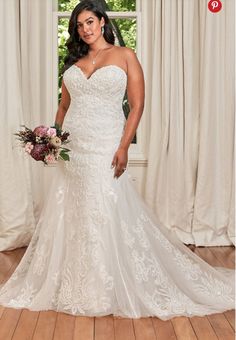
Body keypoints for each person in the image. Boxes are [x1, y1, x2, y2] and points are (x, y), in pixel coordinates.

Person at [0, 0, 234, 319]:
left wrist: (124, 146)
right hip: (75, 145)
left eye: (90, 22)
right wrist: (51, 139)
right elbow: (64, 107)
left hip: (106, 141)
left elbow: (137, 106)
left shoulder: (125, 56)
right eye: (79, 25)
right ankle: (76, 282)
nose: (85, 29)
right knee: (75, 208)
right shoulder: (74, 62)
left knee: (102, 205)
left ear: (103, 21)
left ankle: (106, 284)